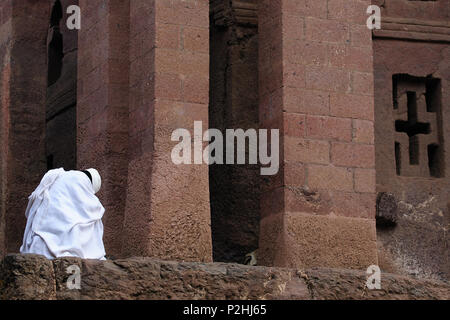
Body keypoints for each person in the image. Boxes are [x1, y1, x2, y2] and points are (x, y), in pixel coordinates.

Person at [20, 168, 106, 260]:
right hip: (53, 248)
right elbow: (93, 209)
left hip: (38, 245)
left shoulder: (60, 177)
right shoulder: (80, 178)